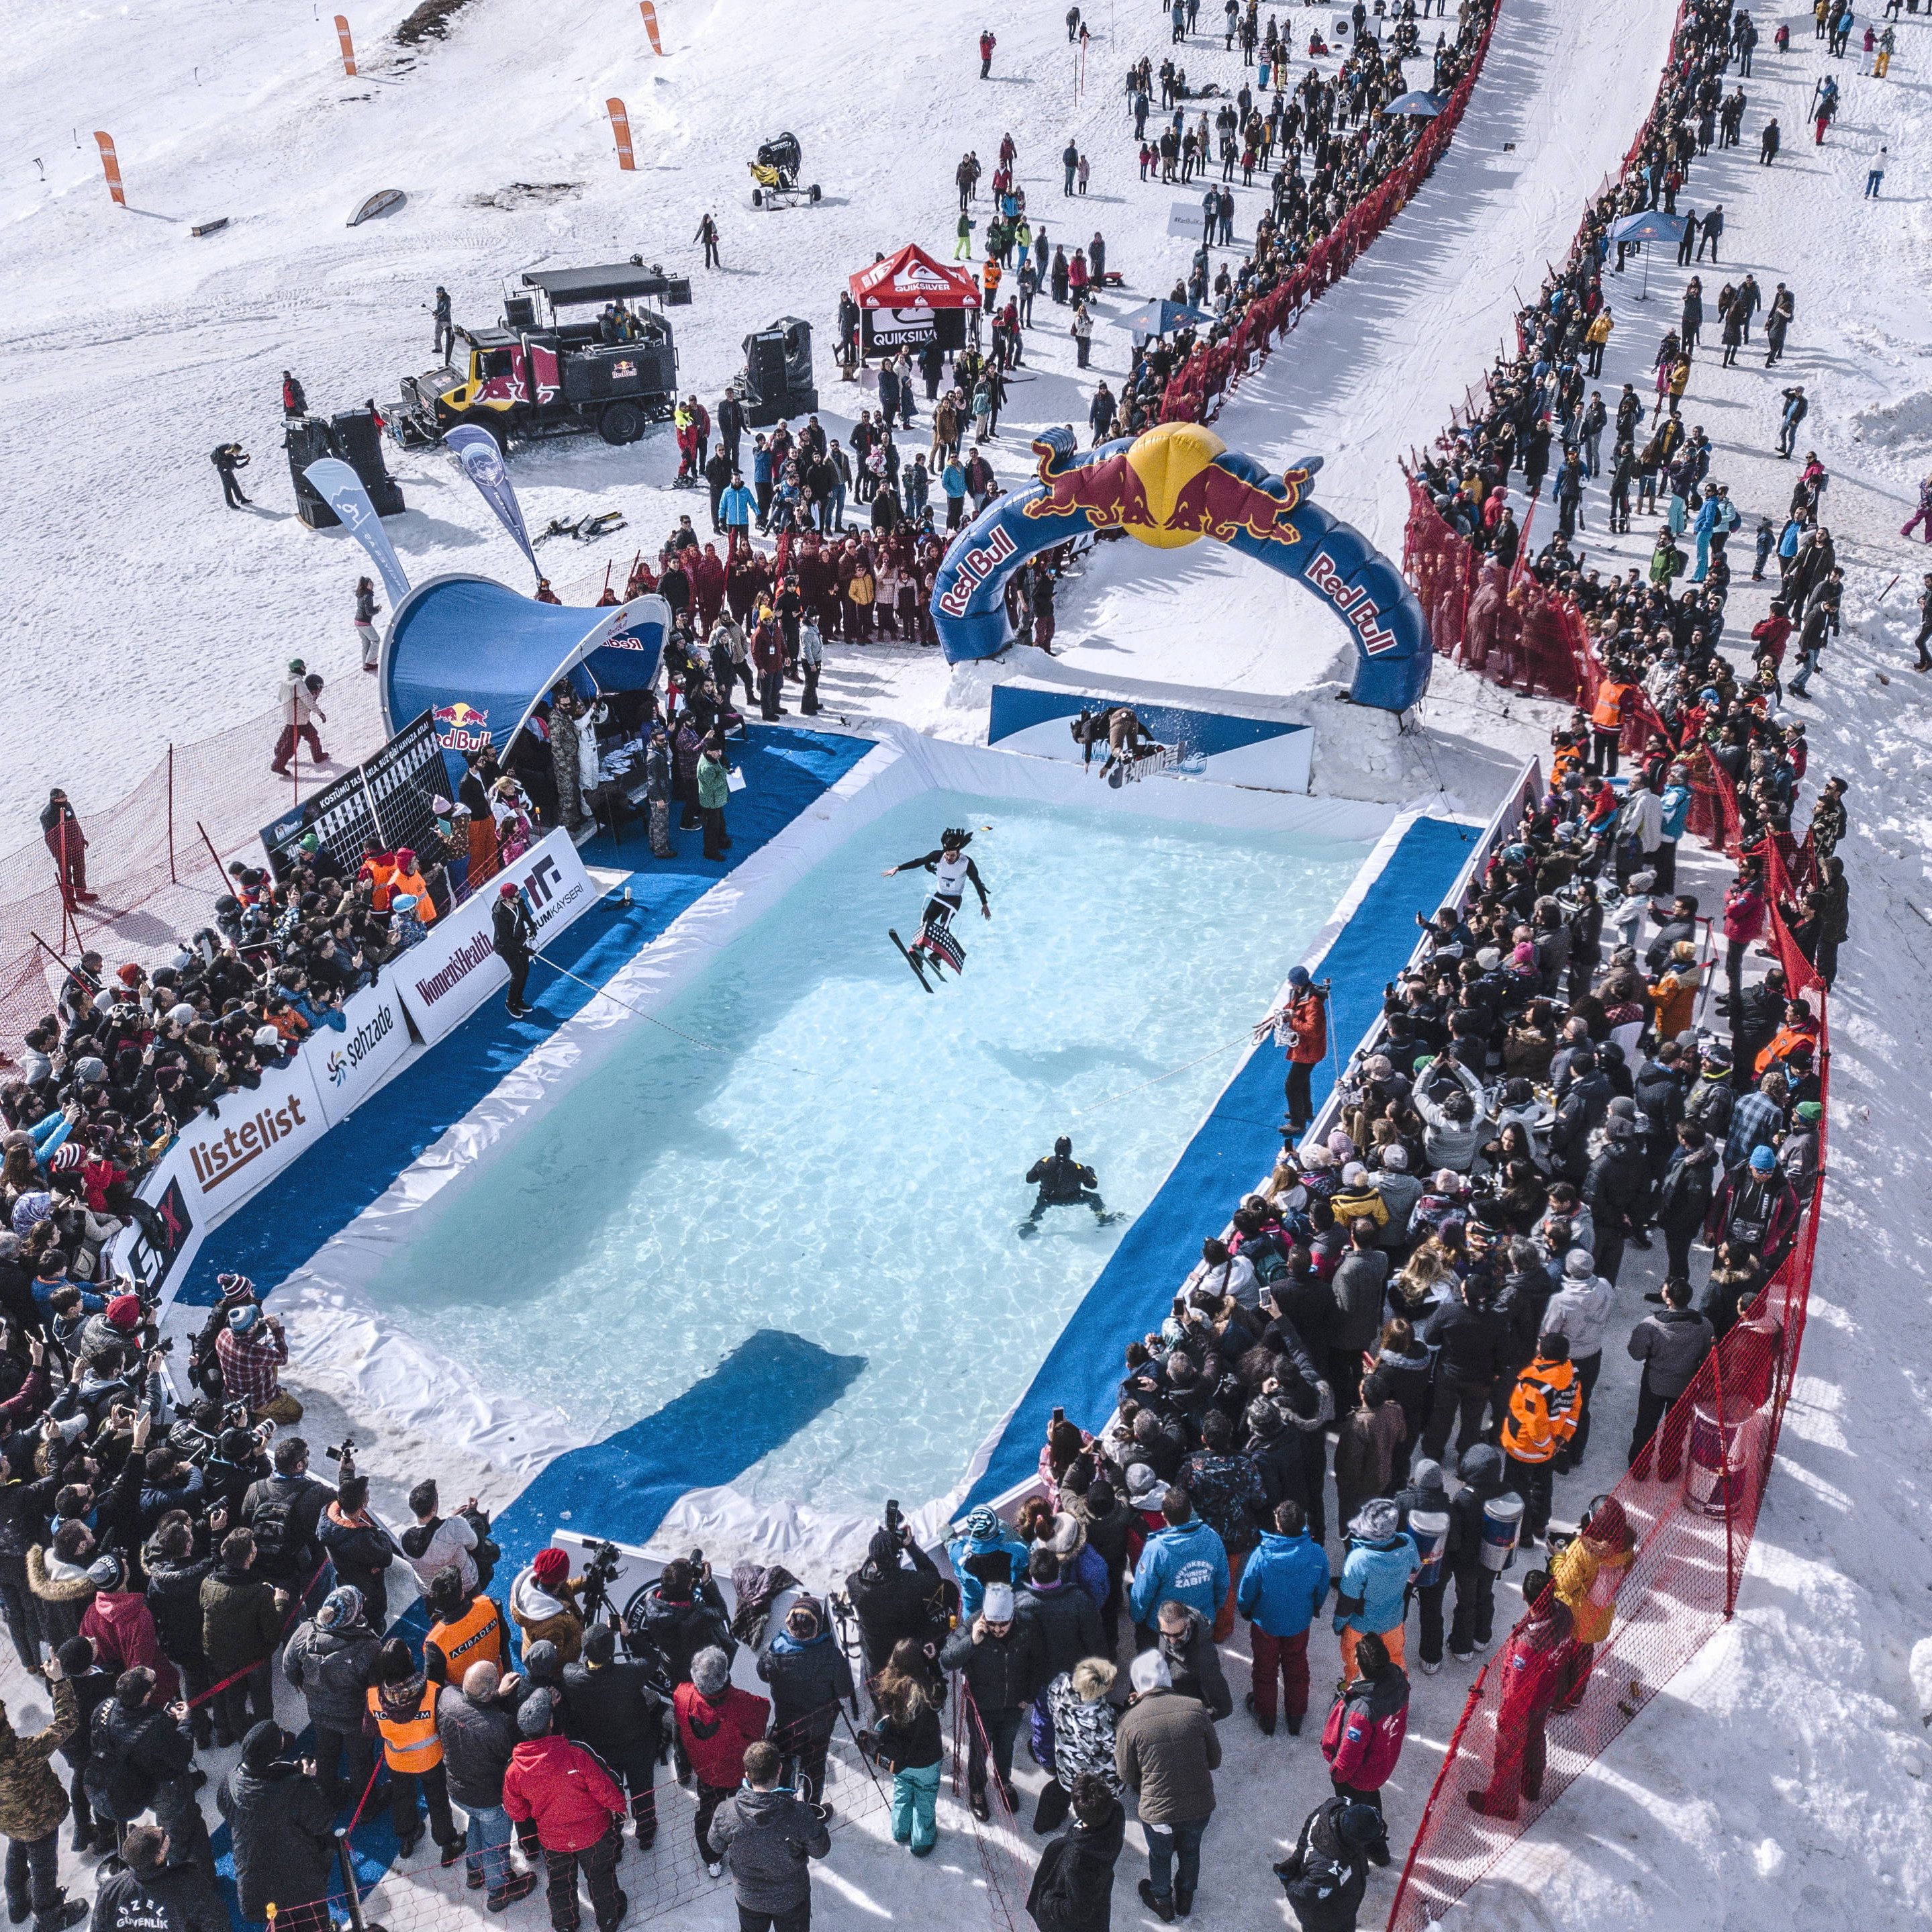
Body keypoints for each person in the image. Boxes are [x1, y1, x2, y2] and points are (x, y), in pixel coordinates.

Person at [502, 1688, 630, 1932]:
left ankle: (566, 1925)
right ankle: (609, 1918)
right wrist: (620, 1807)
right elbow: (604, 1786)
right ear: (550, 1722)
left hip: (553, 1840)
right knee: (601, 1876)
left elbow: (516, 1812)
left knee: (560, 1884)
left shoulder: (514, 1770)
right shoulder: (576, 1753)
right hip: (594, 1833)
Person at [1113, 1648, 1218, 1925]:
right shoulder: (1196, 1708)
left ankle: (1162, 1900)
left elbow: (1126, 1774)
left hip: (1158, 1812)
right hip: (1200, 1806)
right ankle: (1186, 1898)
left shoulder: (1129, 1722)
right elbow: (1215, 1760)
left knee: (1160, 1854)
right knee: (1190, 1849)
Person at [1465, 1572, 1581, 1820]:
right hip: (1546, 1692)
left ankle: (1502, 1804)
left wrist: (1506, 1702)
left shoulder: (1528, 1645)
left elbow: (1514, 1689)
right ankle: (1531, 1787)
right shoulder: (1564, 1614)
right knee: (1535, 1738)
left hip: (1520, 1705)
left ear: (1525, 1597)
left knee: (1508, 1753)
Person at [214, 1722, 338, 1932]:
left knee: (278, 1925)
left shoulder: (229, 1782)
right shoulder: (297, 1788)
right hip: (299, 1878)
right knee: (313, 1922)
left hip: (257, 1884)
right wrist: (309, 1780)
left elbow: (226, 1809)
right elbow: (322, 1822)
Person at [438, 1659, 540, 1909]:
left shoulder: (447, 1698)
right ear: (491, 1693)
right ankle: (499, 1890)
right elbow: (511, 1751)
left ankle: (475, 1872)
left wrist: (495, 1696)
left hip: (458, 1791)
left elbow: (475, 1713)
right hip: (490, 1799)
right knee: (496, 1846)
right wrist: (501, 1698)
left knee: (475, 1824)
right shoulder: (499, 1726)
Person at [0, 1654, 87, 1932]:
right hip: (40, 1818)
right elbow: (66, 1723)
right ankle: (49, 1916)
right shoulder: (23, 1754)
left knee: (16, 1851)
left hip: (9, 1819)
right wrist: (59, 1681)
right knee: (43, 1868)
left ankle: (17, 1903)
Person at [709, 1737, 831, 1932]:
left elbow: (715, 1846)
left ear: (747, 1774)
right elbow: (820, 1850)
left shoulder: (726, 1811)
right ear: (780, 1770)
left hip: (749, 1898)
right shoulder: (799, 1814)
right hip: (792, 1898)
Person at [940, 1581, 1038, 1821]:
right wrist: (971, 1642)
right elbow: (947, 1660)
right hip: (981, 1708)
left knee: (1006, 1748)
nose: (998, 1629)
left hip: (1013, 1706)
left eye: (1003, 1624)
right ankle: (977, 1788)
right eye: (993, 1623)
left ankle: (1003, 1782)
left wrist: (1028, 1696)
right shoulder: (973, 1625)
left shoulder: (1027, 1627)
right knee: (979, 1751)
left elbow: (1038, 1663)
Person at [1237, 1499, 1328, 1736]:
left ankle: (1267, 1717)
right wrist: (1315, 1606)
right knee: (1296, 1666)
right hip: (1299, 1623)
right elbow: (1322, 1585)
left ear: (1278, 1524)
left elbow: (1248, 1587)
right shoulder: (1316, 1553)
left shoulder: (1262, 1554)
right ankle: (1295, 1716)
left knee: (1265, 1669)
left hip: (1266, 1624)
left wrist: (1245, 1608)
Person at [280, 1585, 378, 1805]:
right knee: (360, 1761)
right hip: (354, 1718)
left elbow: (288, 1666)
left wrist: (304, 1687)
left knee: (326, 1751)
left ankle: (327, 1796)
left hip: (319, 1710)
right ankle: (366, 1806)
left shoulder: (306, 1631)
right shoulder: (368, 1646)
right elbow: (377, 1686)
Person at [367, 1636, 463, 1862]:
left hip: (397, 1760)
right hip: (430, 1759)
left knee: (402, 1798)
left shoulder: (373, 1696)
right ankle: (447, 1844)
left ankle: (407, 1839)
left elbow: (369, 1729)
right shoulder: (432, 1691)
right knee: (437, 1800)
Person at [673, 1647, 768, 1875]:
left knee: (707, 1812)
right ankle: (746, 1852)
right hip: (737, 1774)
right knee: (744, 1812)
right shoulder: (746, 1704)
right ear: (724, 1676)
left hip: (706, 1773)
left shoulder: (682, 1695)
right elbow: (763, 1714)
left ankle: (712, 1858)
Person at [755, 1594, 851, 1810]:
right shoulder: (831, 1655)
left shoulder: (776, 1650)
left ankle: (784, 1808)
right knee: (815, 1767)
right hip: (819, 1725)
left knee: (786, 1764)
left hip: (787, 1722)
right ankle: (812, 1811)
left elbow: (762, 1673)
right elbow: (845, 1691)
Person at [199, 1530, 287, 1748]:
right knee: (262, 1701)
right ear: (250, 1557)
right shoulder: (259, 1593)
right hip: (254, 1658)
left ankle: (242, 1736)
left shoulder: (208, 1583)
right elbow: (272, 1633)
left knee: (233, 1699)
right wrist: (280, 1603)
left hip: (221, 1656)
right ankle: (266, 1739)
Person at [1626, 1279, 1713, 1473]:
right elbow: (1708, 1356)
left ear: (1669, 1299)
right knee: (1676, 1430)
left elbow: (1636, 1353)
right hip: (1684, 1385)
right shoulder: (1705, 1325)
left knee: (1645, 1427)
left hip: (1654, 1383)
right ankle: (1668, 1469)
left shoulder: (1650, 1325)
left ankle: (1639, 1468)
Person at [863, 1648, 944, 1857]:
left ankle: (900, 1831)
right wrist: (933, 1663)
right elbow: (941, 1690)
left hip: (899, 1759)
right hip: (927, 1760)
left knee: (902, 1793)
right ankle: (922, 1843)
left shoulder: (886, 1690)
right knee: (924, 1799)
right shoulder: (928, 1692)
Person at [1319, 1631, 1408, 1814]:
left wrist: (1336, 1773)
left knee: (1355, 1815)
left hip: (1359, 1778)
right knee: (1371, 1798)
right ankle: (1375, 1824)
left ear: (1358, 1663)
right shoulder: (1398, 1681)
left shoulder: (1361, 1713)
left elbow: (1348, 1758)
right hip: (1384, 1762)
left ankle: (1366, 1835)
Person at [1025, 1770, 1125, 1932]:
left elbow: (1078, 1912)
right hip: (1100, 1894)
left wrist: (1048, 1902)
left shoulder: (1077, 1858)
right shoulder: (1116, 1813)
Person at [1333, 1500, 1418, 1684]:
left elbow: (1347, 1601)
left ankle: (1353, 1694)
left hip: (1361, 1626)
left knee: (1356, 1664)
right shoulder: (1408, 1543)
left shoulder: (1358, 1559)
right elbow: (1415, 1570)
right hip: (1393, 1620)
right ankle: (1398, 1694)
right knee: (1395, 1659)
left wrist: (1338, 1624)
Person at [1274, 1796, 1388, 1930]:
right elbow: (1301, 1898)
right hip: (1329, 1921)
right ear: (1358, 1840)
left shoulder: (1334, 1805)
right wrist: (1289, 1881)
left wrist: (1297, 1857)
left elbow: (1311, 1823)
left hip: (1342, 1900)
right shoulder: (1330, 1871)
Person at [90, 1821, 224, 1932]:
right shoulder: (188, 1884)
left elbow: (97, 1927)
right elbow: (217, 1922)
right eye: (163, 1836)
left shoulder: (110, 1889)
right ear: (159, 1857)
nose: (163, 1829)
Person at [1267, 966, 1329, 1133]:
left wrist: (1292, 1022)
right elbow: (1289, 1009)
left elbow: (1313, 1030)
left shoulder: (1313, 1003)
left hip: (1310, 1051)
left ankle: (1297, 1123)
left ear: (1297, 983)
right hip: (1304, 1048)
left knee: (1292, 1086)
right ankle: (1305, 1111)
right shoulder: (1301, 993)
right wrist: (1273, 1020)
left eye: (1291, 981)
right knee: (1302, 1081)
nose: (1289, 983)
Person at [1021, 1138, 1119, 1235]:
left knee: (1041, 1202)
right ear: (1070, 1150)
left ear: (1055, 1149)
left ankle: (1032, 1222)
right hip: (1073, 1198)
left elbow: (1029, 1180)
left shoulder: (1043, 1163)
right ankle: (1102, 1218)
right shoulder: (1078, 1168)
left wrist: (1043, 1176)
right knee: (1095, 1198)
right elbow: (1093, 1185)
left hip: (1049, 1198)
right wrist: (1091, 1173)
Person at [510, 1547, 586, 1663]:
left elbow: (562, 1588)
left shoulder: (530, 1585)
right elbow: (560, 1658)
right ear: (562, 1580)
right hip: (551, 1674)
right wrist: (584, 1637)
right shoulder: (552, 1624)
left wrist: (581, 1584)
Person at [493, 878, 538, 1019]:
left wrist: (532, 926)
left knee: (526, 970)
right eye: (517, 896)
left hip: (519, 940)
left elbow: (524, 914)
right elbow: (505, 939)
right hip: (505, 947)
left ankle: (519, 1000)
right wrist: (524, 950)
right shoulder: (499, 915)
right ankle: (510, 1002)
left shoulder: (519, 903)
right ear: (508, 900)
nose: (520, 897)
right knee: (518, 972)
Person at [40, 791, 93, 906]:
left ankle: (81, 893)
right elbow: (49, 837)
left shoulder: (67, 806)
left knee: (80, 870)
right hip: (63, 852)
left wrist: (81, 837)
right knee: (66, 876)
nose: (65, 798)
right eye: (62, 797)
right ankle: (70, 902)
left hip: (76, 846)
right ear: (55, 799)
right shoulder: (48, 815)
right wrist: (57, 853)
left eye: (65, 796)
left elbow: (75, 823)